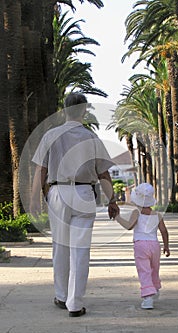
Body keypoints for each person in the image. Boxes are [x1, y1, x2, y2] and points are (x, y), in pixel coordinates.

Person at [30, 92, 119, 317]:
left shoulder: (50, 135)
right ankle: (75, 304)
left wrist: (34, 199)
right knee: (80, 250)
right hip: (84, 193)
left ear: (65, 110)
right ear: (84, 111)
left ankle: (61, 296)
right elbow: (104, 175)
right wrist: (112, 200)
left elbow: (41, 170)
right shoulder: (92, 138)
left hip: (58, 191)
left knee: (60, 248)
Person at [115, 182, 170, 310]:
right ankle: (155, 288)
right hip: (155, 245)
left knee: (144, 270)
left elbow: (129, 226)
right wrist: (166, 246)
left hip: (140, 245)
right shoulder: (157, 215)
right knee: (154, 268)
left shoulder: (136, 213)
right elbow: (164, 231)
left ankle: (148, 297)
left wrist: (117, 217)